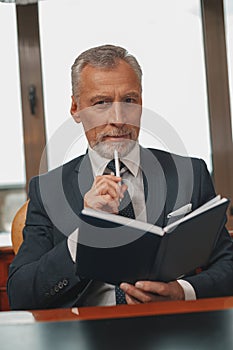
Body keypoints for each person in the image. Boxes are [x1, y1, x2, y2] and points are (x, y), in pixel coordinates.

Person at [7, 44, 233, 310]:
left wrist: (182, 291)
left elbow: (228, 265)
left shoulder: (190, 174)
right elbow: (21, 294)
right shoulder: (48, 190)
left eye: (129, 100)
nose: (118, 119)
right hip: (85, 331)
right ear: (76, 108)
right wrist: (86, 233)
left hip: (173, 326)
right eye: (101, 103)